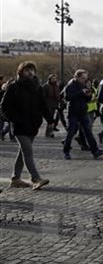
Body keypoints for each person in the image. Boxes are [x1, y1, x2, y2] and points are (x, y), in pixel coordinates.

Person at [0, 61, 51, 190]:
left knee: (22, 152)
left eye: (32, 70)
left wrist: (50, 119)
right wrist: (15, 119)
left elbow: (43, 105)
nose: (30, 72)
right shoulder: (14, 87)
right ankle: (35, 179)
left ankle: (15, 178)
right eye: (27, 70)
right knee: (27, 152)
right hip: (19, 126)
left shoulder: (37, 87)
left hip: (33, 124)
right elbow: (4, 106)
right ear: (21, 72)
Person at [62, 69, 103, 160]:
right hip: (74, 112)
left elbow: (87, 99)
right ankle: (66, 151)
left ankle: (95, 151)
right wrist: (81, 93)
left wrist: (88, 96)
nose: (84, 80)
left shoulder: (83, 85)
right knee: (71, 132)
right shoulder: (70, 85)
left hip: (83, 111)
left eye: (85, 78)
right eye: (82, 78)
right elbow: (67, 97)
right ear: (76, 77)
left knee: (88, 131)